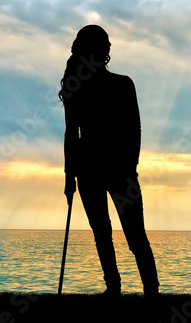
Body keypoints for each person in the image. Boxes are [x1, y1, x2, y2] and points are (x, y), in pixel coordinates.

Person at [59, 25, 160, 297]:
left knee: (121, 234)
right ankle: (129, 288)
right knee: (120, 234)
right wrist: (70, 177)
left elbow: (133, 129)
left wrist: (131, 166)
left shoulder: (115, 84)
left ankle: (138, 288)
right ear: (102, 51)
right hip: (104, 170)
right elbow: (72, 133)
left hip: (105, 169)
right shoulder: (84, 87)